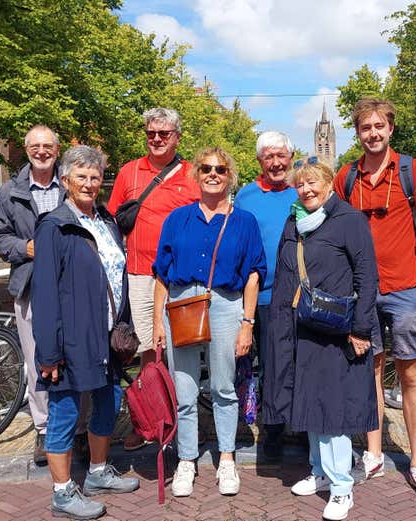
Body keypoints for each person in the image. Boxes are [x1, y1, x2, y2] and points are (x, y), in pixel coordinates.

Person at [334, 97, 416, 504]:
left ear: (390, 129)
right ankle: (375, 454)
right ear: (357, 132)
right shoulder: (346, 177)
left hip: (404, 290)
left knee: (410, 374)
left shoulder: (413, 172)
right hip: (361, 293)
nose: (373, 133)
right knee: (369, 372)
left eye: (379, 126)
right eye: (365, 127)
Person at [263, 157, 378, 521]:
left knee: (334, 410)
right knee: (309, 402)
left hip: (335, 330)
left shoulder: (349, 221)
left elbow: (367, 277)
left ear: (330, 183)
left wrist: (361, 329)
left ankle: (342, 487)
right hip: (301, 330)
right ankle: (319, 472)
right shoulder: (296, 221)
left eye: (314, 182)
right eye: (302, 183)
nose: (307, 189)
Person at [32, 145, 139, 520]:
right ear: (65, 181)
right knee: (64, 411)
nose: (89, 183)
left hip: (106, 335)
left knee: (109, 403)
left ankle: (96, 472)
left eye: (95, 177)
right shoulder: (54, 226)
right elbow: (44, 293)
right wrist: (49, 353)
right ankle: (62, 492)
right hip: (72, 337)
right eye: (81, 177)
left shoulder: (106, 221)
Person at [152, 147, 265, 498]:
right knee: (184, 389)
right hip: (183, 304)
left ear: (229, 175)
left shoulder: (243, 221)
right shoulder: (177, 218)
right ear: (196, 175)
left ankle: (227, 458)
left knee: (223, 387)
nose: (213, 174)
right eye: (206, 168)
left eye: (220, 169)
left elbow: (253, 274)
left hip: (225, 305)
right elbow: (161, 274)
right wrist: (158, 321)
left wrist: (247, 322)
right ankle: (186, 459)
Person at [0, 124, 88, 465]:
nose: (42, 151)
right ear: (27, 149)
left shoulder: (70, 185)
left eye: (48, 146)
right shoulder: (10, 192)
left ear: (57, 149)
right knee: (37, 361)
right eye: (35, 146)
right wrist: (25, 247)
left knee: (77, 356)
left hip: (71, 287)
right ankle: (45, 428)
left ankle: (79, 430)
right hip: (30, 285)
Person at [107, 107, 200, 451]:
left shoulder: (193, 174)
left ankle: (182, 424)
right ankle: (149, 421)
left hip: (182, 279)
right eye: (151, 134)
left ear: (177, 136)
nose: (157, 139)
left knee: (183, 351)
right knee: (148, 351)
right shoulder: (130, 172)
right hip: (141, 275)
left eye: (164, 133)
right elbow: (113, 221)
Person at [233, 131, 298, 461]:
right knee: (249, 363)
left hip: (288, 295)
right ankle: (253, 427)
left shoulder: (302, 193)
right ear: (259, 161)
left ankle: (283, 427)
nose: (276, 162)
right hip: (249, 292)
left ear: (290, 157)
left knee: (281, 363)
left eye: (281, 156)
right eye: (269, 157)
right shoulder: (245, 196)